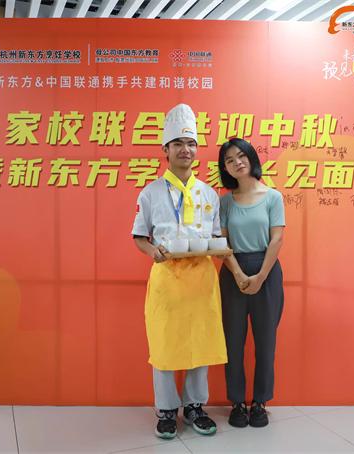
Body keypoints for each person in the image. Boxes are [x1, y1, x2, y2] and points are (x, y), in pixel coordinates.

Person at [132, 103, 227, 439]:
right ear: (166, 150)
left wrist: (218, 247)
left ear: (196, 150)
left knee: (200, 343)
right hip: (168, 280)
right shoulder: (151, 193)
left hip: (201, 279)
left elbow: (215, 236)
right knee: (164, 345)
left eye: (191, 144)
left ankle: (195, 406)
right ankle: (166, 410)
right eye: (178, 144)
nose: (185, 150)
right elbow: (140, 237)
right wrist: (153, 252)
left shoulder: (209, 194)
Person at [217, 137, 285, 428]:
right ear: (225, 168)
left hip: (266, 271)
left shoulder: (273, 197)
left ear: (251, 158)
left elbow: (277, 239)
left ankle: (260, 402)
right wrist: (238, 274)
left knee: (266, 341)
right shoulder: (224, 201)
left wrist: (260, 276)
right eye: (229, 160)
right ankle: (237, 402)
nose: (237, 162)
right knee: (233, 342)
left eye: (241, 156)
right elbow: (221, 242)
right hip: (232, 270)